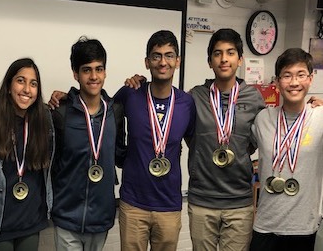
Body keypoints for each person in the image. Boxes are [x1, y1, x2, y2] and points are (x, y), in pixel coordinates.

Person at [114, 30, 196, 251]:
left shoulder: (187, 103)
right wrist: (66, 97)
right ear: (147, 62)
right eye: (156, 55)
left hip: (169, 205)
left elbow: (195, 143)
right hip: (133, 205)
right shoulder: (130, 94)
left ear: (177, 61)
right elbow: (97, 108)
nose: (163, 62)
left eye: (169, 55)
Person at [186, 28, 265, 251]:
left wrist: (312, 107)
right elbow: (187, 134)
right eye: (217, 53)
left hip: (239, 202)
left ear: (239, 59)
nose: (224, 59)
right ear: (209, 61)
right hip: (202, 201)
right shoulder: (195, 97)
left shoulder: (253, 97)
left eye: (230, 53)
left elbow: (262, 134)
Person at [0, 58, 54, 251]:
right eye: (20, 81)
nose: (26, 89)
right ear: (8, 85)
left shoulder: (44, 120)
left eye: (33, 84)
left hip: (31, 220)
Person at [50, 36, 126, 251]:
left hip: (100, 217)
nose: (94, 76)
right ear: (75, 73)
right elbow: (52, 163)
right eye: (86, 70)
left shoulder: (116, 112)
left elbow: (120, 155)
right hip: (66, 216)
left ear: (105, 71)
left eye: (99, 69)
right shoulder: (61, 113)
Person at [250, 48, 322, 251]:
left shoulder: (320, 117)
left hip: (303, 227)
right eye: (287, 75)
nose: (294, 83)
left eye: (301, 75)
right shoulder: (263, 118)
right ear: (277, 81)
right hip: (266, 224)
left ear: (310, 78)